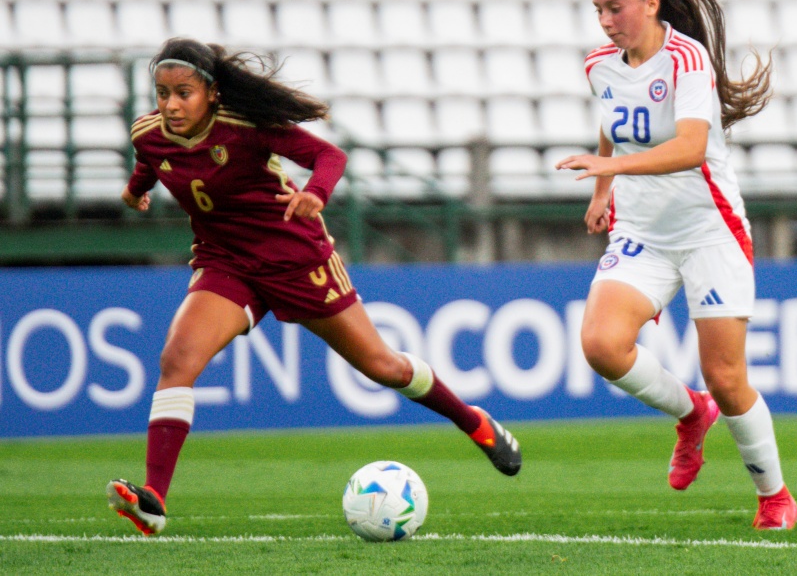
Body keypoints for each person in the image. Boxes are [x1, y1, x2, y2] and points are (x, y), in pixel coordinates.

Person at [107, 38, 521, 536]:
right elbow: (150, 165)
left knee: (383, 366)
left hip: (296, 259)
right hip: (227, 264)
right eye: (162, 93)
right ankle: (154, 501)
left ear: (213, 94)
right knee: (177, 361)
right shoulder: (148, 134)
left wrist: (314, 194)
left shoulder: (247, 128)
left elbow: (329, 157)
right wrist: (135, 192)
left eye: (184, 93)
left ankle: (473, 421)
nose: (171, 105)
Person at [555, 0, 797, 529]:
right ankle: (692, 415)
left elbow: (690, 148)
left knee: (727, 375)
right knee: (601, 346)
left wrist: (609, 171)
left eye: (615, 9)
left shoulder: (688, 61)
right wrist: (600, 193)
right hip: (642, 232)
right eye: (598, 12)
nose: (607, 22)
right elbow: (613, 120)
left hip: (708, 230)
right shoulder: (599, 65)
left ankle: (775, 496)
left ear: (651, 3)